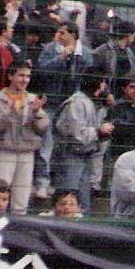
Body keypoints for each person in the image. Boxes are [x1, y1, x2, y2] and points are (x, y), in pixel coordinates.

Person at [0, 63, 50, 215]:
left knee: (21, 200)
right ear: (10, 76)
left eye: (28, 76)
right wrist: (10, 113)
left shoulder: (32, 99)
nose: (25, 80)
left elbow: (43, 128)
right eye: (21, 75)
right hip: (4, 151)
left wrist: (36, 112)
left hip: (27, 153)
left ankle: (19, 226)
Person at [54, 70, 115, 214]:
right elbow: (75, 134)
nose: (105, 87)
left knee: (82, 203)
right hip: (71, 156)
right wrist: (99, 131)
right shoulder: (77, 102)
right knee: (68, 200)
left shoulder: (91, 102)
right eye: (103, 82)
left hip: (86, 156)